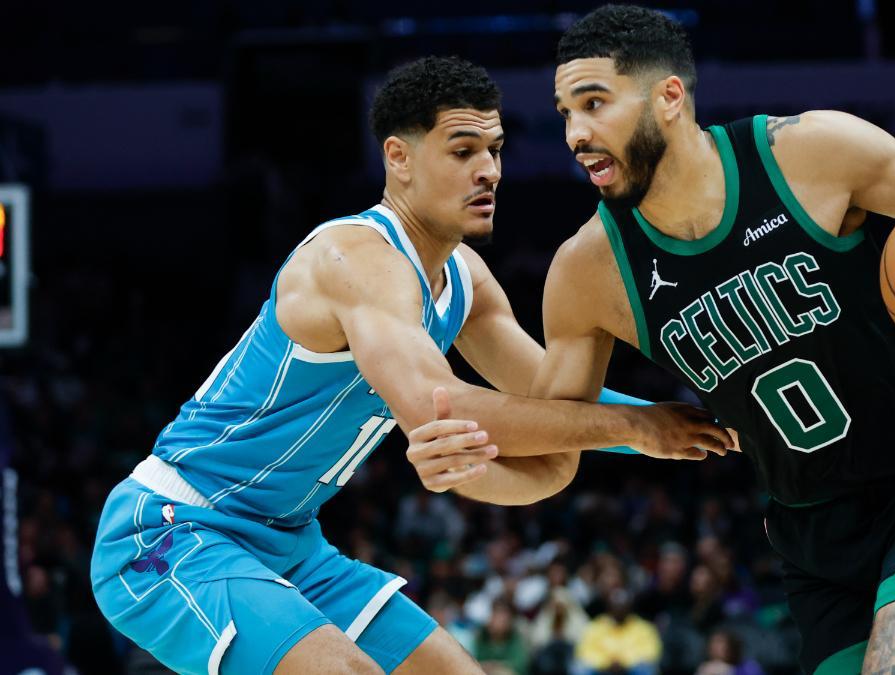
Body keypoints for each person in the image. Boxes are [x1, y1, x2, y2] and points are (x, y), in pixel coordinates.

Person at [89, 55, 732, 675]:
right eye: (462, 152)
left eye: (496, 149)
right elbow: (446, 408)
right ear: (398, 158)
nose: (489, 171)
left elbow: (551, 398)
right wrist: (638, 432)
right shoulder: (354, 257)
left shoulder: (465, 278)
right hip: (175, 528)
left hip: (288, 540)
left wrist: (681, 423)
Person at [515, 5, 895, 674]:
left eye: (593, 104)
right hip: (811, 536)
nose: (575, 134)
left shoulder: (807, 154)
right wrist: (640, 427)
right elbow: (555, 425)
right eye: (563, 114)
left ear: (670, 97)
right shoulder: (588, 269)